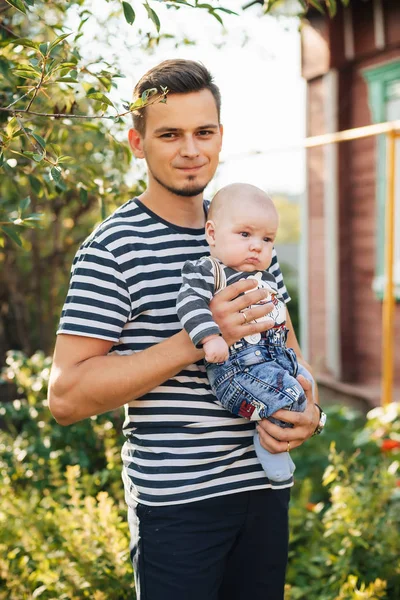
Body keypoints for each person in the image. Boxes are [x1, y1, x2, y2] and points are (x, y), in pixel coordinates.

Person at [48, 59, 325, 600]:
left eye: (204, 132)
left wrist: (309, 416)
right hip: (178, 507)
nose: (191, 149)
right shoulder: (112, 249)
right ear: (137, 141)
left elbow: (291, 355)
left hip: (265, 494)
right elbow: (66, 396)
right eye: (169, 134)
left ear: (221, 137)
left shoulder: (250, 236)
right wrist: (195, 338)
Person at [177, 182, 315, 489]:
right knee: (290, 394)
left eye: (267, 239)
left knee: (307, 383)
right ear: (212, 234)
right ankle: (269, 446)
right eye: (245, 235)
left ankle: (281, 429)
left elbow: (286, 335)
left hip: (273, 360)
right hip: (236, 370)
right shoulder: (210, 271)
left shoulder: (265, 278)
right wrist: (210, 336)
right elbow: (189, 303)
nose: (257, 246)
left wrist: (315, 413)